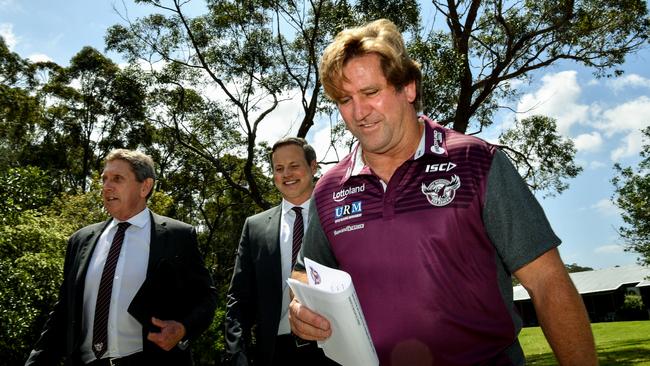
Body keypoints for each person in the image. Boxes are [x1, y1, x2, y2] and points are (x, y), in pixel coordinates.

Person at [288, 19, 598, 366]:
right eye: (345, 100)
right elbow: (305, 273)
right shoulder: (330, 190)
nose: (359, 113)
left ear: (408, 87)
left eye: (371, 93)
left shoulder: (476, 162)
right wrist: (301, 308)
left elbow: (547, 282)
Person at [25, 149, 218, 366]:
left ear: (145, 186)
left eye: (118, 179)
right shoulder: (80, 240)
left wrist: (182, 328)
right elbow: (63, 312)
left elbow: (206, 297)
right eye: (104, 179)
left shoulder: (177, 236)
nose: (107, 186)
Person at [225, 137, 339, 365]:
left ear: (313, 166)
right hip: (275, 352)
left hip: (335, 347)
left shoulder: (339, 216)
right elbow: (238, 298)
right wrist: (236, 355)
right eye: (279, 168)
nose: (286, 174)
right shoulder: (254, 227)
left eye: (294, 166)